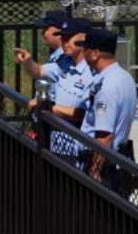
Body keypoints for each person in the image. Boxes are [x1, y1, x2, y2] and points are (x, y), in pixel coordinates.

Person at [73, 28, 137, 178]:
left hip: (103, 168)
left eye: (86, 49)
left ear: (95, 53)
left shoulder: (106, 87)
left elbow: (105, 136)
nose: (83, 53)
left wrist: (94, 172)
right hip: (118, 163)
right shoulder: (124, 77)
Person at [26, 18, 94, 154]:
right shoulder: (64, 64)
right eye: (62, 38)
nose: (64, 42)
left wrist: (47, 107)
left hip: (75, 150)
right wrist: (27, 60)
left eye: (69, 37)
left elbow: (83, 113)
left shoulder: (91, 72)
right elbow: (38, 71)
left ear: (84, 37)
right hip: (54, 145)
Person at [13, 10, 71, 83]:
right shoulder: (58, 57)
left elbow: (39, 72)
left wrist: (28, 61)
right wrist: (27, 61)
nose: (42, 32)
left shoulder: (66, 60)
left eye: (46, 28)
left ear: (60, 33)